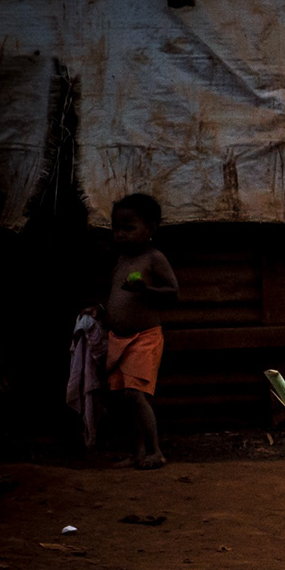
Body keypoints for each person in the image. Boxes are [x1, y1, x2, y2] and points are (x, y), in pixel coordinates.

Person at [96, 193, 178, 467]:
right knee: (125, 397)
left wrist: (146, 290)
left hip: (145, 338)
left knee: (135, 394)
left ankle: (156, 451)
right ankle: (139, 452)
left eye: (129, 228)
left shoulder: (154, 258)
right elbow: (115, 298)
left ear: (152, 228)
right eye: (116, 228)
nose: (120, 235)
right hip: (119, 338)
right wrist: (98, 311)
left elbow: (172, 292)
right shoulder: (120, 260)